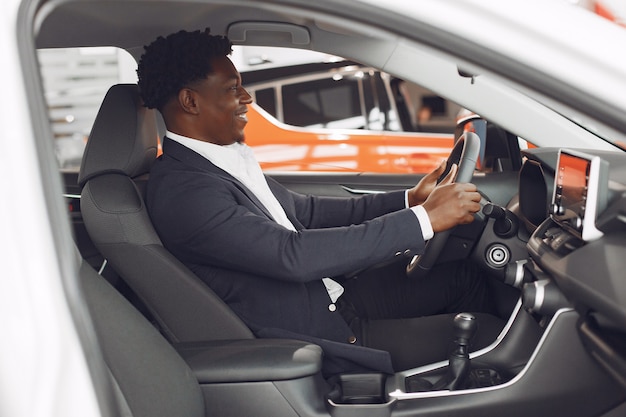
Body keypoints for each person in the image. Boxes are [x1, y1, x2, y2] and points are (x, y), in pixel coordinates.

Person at [138, 29, 506, 376]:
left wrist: (412, 198)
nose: (247, 98)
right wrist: (423, 220)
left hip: (332, 297)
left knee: (462, 277)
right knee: (491, 338)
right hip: (318, 332)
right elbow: (291, 255)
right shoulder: (185, 192)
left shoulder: (217, 162)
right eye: (234, 88)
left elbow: (308, 213)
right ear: (190, 101)